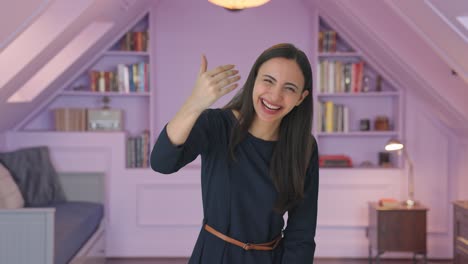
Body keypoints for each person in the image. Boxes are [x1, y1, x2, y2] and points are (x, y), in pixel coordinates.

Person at [150, 43, 319, 263]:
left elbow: (302, 233)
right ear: (254, 80)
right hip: (213, 256)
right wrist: (194, 104)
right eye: (268, 81)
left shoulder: (304, 147)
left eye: (289, 88)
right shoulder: (216, 124)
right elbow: (162, 163)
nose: (275, 96)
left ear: (301, 98)